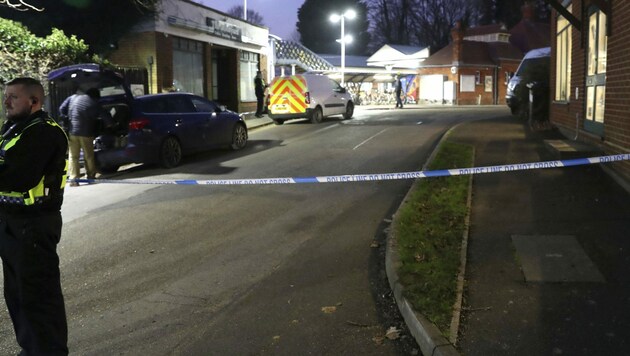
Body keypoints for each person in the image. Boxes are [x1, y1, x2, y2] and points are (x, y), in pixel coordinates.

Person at [0, 77, 69, 355]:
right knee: (17, 296)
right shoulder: (14, 129)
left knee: (37, 296)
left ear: (34, 101)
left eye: (13, 97)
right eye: (6, 96)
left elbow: (19, 176)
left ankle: (49, 351)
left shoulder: (43, 132)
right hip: (13, 224)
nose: (6, 101)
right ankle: (31, 348)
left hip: (33, 225)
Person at [59, 87, 112, 185]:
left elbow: (61, 108)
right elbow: (105, 116)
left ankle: (74, 179)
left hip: (72, 132)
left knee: (73, 156)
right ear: (96, 96)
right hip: (86, 133)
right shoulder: (93, 102)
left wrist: (66, 118)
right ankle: (90, 176)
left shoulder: (72, 98)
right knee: (88, 156)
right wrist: (110, 125)